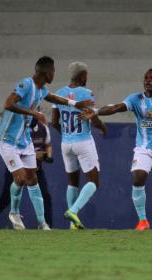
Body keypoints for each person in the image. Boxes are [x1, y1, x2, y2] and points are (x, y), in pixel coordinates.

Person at [0, 56, 92, 230]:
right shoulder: (26, 84)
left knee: (33, 179)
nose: (54, 74)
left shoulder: (42, 90)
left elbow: (55, 98)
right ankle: (14, 213)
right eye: (53, 71)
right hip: (7, 140)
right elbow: (8, 104)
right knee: (21, 178)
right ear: (47, 72)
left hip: (24, 141)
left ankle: (42, 223)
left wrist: (75, 103)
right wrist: (33, 113)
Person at [98, 68, 152, 230]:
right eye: (146, 78)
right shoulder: (135, 99)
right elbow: (116, 107)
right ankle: (142, 221)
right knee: (138, 178)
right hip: (143, 148)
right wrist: (96, 111)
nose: (148, 81)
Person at [52, 62, 107, 229]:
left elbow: (54, 122)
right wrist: (103, 128)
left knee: (72, 182)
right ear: (83, 76)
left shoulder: (59, 93)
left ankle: (72, 224)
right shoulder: (86, 93)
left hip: (66, 144)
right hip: (83, 141)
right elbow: (93, 117)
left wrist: (67, 136)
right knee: (94, 181)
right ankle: (73, 211)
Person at [0, 120, 54, 228]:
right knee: (6, 198)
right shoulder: (18, 130)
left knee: (46, 196)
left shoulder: (44, 128)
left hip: (36, 169)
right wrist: (37, 155)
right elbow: (16, 149)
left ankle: (46, 225)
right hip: (17, 167)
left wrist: (49, 155)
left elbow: (48, 144)